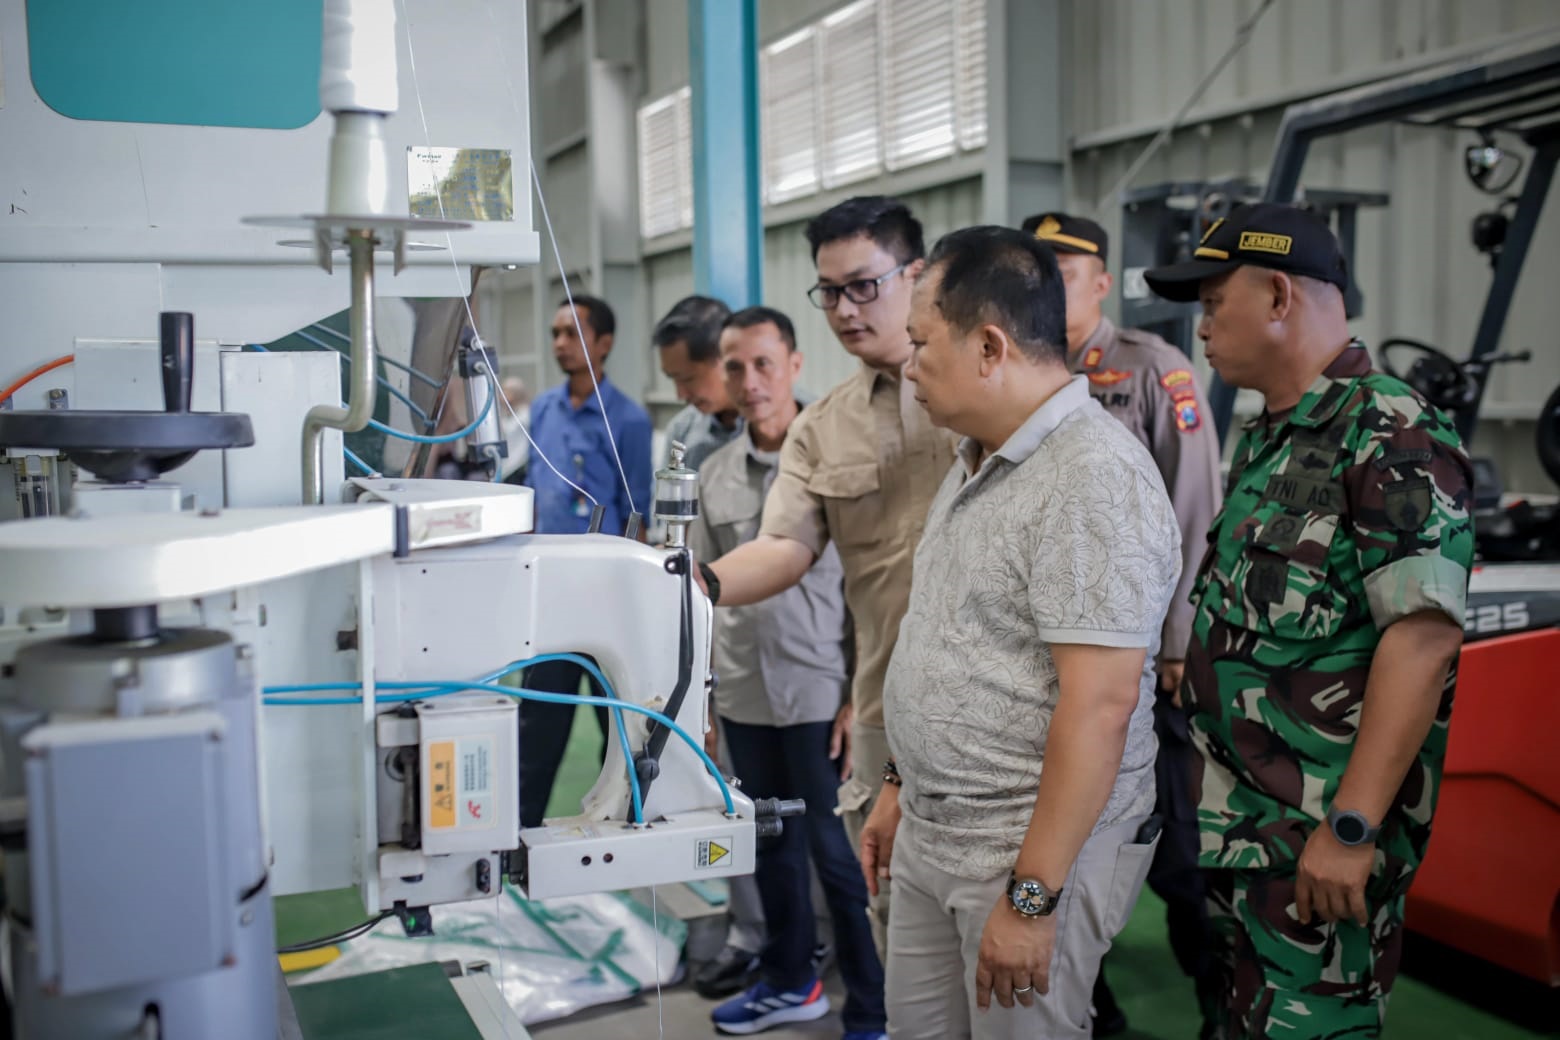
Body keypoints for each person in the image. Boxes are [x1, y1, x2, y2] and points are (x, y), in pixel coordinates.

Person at [1143, 202, 1474, 1038]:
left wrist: (1352, 828)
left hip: (1314, 845)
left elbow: (1422, 636)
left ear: (1279, 296)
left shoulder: (1392, 431)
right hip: (1238, 835)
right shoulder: (1274, 436)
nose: (1202, 327)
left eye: (1213, 303)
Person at [860, 226, 1181, 1039]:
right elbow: (947, 639)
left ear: (989, 346)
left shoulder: (1092, 479)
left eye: (921, 343)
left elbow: (1100, 708)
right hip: (936, 832)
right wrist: (899, 782)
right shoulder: (977, 456)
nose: (909, 365)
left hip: (1021, 853)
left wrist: (1032, 899)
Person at [698, 197, 960, 957]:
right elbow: (785, 545)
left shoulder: (981, 399)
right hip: (885, 712)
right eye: (830, 291)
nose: (844, 309)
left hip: (985, 713)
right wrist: (693, 583)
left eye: (863, 286)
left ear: (917, 276)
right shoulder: (822, 428)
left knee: (1002, 934)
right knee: (894, 920)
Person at [1023, 211, 1224, 1036]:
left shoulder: (1150, 370)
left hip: (1143, 663)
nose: (1048, 288)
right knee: (1062, 837)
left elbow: (1194, 511)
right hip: (1049, 663)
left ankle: (1220, 1001)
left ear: (1102, 283)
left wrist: (1178, 644)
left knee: (1178, 848)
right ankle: (1091, 1008)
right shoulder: (1020, 372)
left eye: (1065, 274)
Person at [690, 306, 886, 1040]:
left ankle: (871, 1008)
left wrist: (858, 695)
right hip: (745, 694)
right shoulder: (713, 476)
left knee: (839, 856)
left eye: (764, 364)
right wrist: (705, 703)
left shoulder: (839, 461)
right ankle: (789, 981)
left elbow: (871, 588)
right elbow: (699, 599)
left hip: (819, 696)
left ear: (796, 365)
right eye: (735, 367)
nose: (750, 381)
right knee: (766, 841)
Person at [517, 294, 654, 828]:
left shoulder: (629, 420)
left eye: (572, 333)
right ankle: (519, 834)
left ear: (604, 343)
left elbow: (637, 513)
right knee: (538, 723)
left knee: (616, 725)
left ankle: (616, 827)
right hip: (550, 592)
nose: (560, 344)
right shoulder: (543, 410)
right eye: (555, 333)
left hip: (607, 596)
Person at [657, 295, 745, 471]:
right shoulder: (682, 431)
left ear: (725, 358)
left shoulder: (791, 424)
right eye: (673, 379)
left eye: (688, 379)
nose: (680, 394)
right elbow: (667, 489)